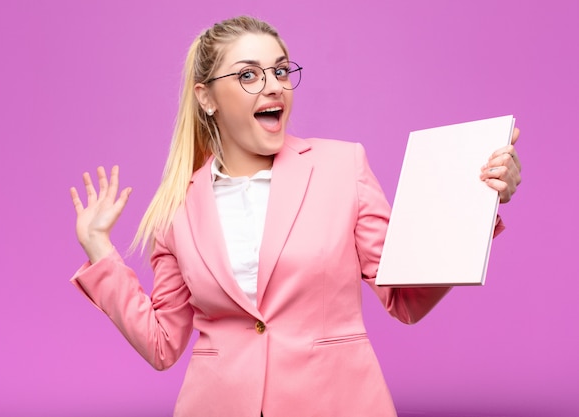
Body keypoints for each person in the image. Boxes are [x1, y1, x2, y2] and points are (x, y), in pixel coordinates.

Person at [69, 16, 522, 417]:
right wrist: (101, 252)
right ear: (206, 98)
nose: (273, 85)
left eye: (280, 70)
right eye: (248, 74)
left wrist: (477, 204)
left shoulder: (343, 168)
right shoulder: (177, 209)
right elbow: (163, 344)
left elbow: (405, 297)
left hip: (336, 402)